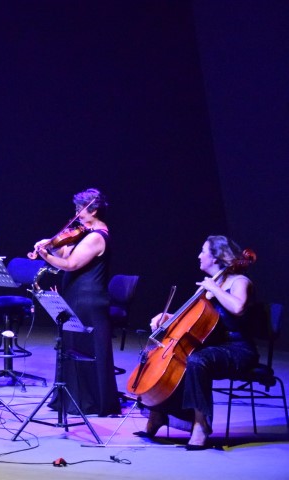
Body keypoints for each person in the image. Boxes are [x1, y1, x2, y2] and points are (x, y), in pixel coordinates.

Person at [134, 235, 258, 450]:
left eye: (203, 251)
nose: (199, 256)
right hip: (211, 346)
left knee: (197, 360)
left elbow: (238, 308)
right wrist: (167, 318)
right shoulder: (207, 286)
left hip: (237, 349)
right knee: (168, 358)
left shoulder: (240, 281)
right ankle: (157, 413)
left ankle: (200, 424)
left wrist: (215, 289)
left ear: (216, 257)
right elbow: (189, 319)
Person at [34, 187, 120, 416]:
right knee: (73, 345)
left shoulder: (96, 237)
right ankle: (74, 399)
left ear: (93, 210)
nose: (76, 214)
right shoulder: (86, 233)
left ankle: (90, 402)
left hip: (89, 299)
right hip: (78, 296)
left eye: (79, 209)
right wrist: (52, 245)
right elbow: (65, 255)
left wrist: (45, 255)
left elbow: (71, 264)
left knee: (85, 348)